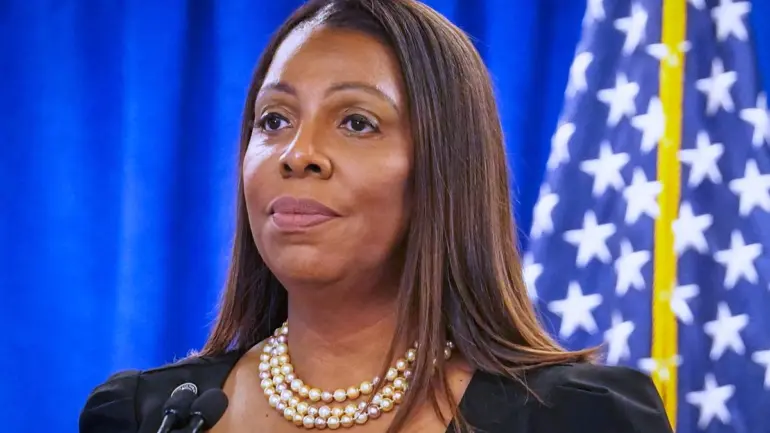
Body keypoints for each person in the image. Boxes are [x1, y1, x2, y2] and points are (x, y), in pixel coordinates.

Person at [79, 0, 674, 432]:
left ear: (445, 169)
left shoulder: (576, 416)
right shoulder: (147, 416)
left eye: (356, 122)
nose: (298, 155)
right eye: (274, 120)